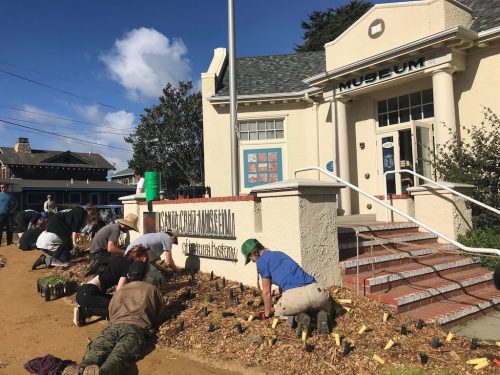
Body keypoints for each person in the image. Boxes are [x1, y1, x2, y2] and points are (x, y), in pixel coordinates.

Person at [63, 261, 166, 375]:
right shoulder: (152, 289)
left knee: (97, 348)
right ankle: (104, 372)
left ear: (128, 275)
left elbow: (111, 311)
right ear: (145, 275)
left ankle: (83, 366)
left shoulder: (120, 291)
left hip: (114, 326)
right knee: (119, 356)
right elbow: (159, 313)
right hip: (135, 329)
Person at [241, 238, 331, 334]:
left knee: (278, 313)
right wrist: (274, 293)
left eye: (250, 259)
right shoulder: (279, 254)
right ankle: (321, 314)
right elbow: (291, 281)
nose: (253, 261)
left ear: (253, 254)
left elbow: (266, 292)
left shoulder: (261, 261)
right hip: (316, 292)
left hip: (295, 299)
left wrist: (267, 315)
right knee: (318, 305)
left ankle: (298, 318)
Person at [74, 244, 149, 326]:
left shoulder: (120, 259)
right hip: (88, 293)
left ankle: (87, 309)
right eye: (143, 258)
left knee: (114, 303)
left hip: (87, 291)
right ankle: (85, 311)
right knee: (118, 307)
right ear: (138, 256)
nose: (143, 262)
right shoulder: (128, 266)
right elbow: (119, 289)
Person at [32, 204, 99, 268]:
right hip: (56, 222)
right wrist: (74, 244)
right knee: (67, 240)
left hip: (55, 220)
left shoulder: (80, 210)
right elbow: (74, 232)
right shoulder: (80, 217)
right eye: (90, 220)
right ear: (89, 216)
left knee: (67, 241)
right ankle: (54, 259)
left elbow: (72, 227)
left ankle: (59, 260)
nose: (88, 222)